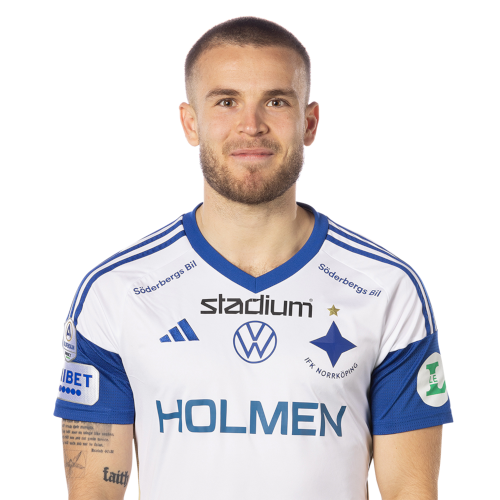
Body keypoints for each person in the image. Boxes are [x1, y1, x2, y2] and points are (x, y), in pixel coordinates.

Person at [55, 16, 453, 500]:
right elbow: (94, 491)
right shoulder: (117, 291)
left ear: (309, 123)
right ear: (190, 123)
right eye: (226, 101)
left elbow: (411, 490)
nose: (251, 125)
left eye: (276, 101)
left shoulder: (386, 287)